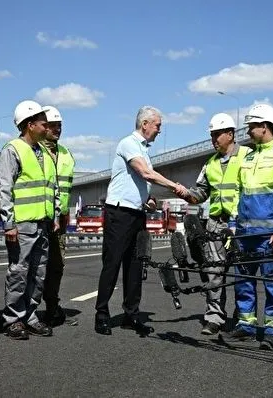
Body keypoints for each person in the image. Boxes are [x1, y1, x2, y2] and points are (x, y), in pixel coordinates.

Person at [94, 106, 185, 336]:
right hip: (119, 214)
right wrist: (175, 186)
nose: (159, 131)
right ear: (145, 124)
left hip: (137, 214)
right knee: (112, 263)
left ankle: (131, 315)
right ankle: (101, 315)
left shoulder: (144, 149)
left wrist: (149, 199)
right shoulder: (129, 143)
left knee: (135, 266)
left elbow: (140, 182)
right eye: (158, 126)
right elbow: (145, 174)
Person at [223, 104, 273, 349]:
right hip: (244, 233)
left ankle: (272, 331)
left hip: (269, 236)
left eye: (252, 126)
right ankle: (246, 327)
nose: (249, 131)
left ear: (265, 127)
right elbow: (239, 193)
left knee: (272, 284)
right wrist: (233, 223)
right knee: (243, 282)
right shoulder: (247, 157)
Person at [177, 112, 251, 335]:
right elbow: (200, 194)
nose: (214, 139)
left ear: (230, 134)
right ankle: (214, 317)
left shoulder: (248, 157)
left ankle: (243, 318)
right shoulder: (210, 163)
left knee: (242, 273)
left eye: (217, 134)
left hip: (239, 225)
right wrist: (184, 193)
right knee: (213, 272)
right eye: (212, 135)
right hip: (215, 226)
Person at [0, 100, 56, 340]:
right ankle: (13, 319)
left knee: (38, 273)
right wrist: (8, 223)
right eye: (43, 124)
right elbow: (5, 189)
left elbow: (50, 188)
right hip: (22, 225)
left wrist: (52, 216)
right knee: (19, 272)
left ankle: (30, 316)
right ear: (30, 125)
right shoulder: (12, 150)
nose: (47, 127)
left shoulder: (43, 152)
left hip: (42, 224)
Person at [40, 105, 76, 327]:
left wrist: (65, 213)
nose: (57, 130)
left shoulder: (65, 153)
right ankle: (27, 311)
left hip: (59, 220)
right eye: (53, 126)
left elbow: (65, 188)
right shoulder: (33, 150)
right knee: (34, 267)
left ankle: (52, 306)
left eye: (59, 126)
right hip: (38, 217)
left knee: (56, 266)